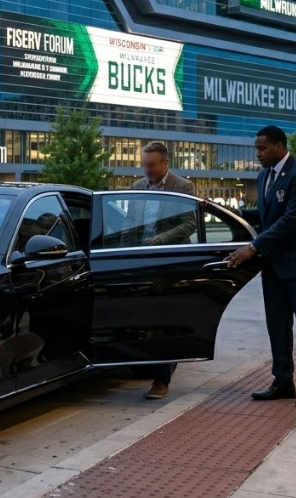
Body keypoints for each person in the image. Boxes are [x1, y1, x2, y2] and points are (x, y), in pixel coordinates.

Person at [226, 125, 296, 408]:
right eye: (256, 149)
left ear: (279, 146)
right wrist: (225, 212)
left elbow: (291, 220)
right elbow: (265, 215)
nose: (257, 154)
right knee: (277, 326)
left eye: (262, 148)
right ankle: (282, 381)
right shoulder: (263, 176)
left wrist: (253, 247)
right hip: (274, 265)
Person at [131, 141, 197, 400]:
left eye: (151, 165)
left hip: (170, 260)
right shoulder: (137, 187)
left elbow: (189, 223)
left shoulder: (183, 187)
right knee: (144, 318)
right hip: (142, 261)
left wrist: (161, 239)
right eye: (144, 164)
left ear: (165, 163)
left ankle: (161, 380)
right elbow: (129, 223)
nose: (146, 169)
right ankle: (150, 366)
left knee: (164, 319)